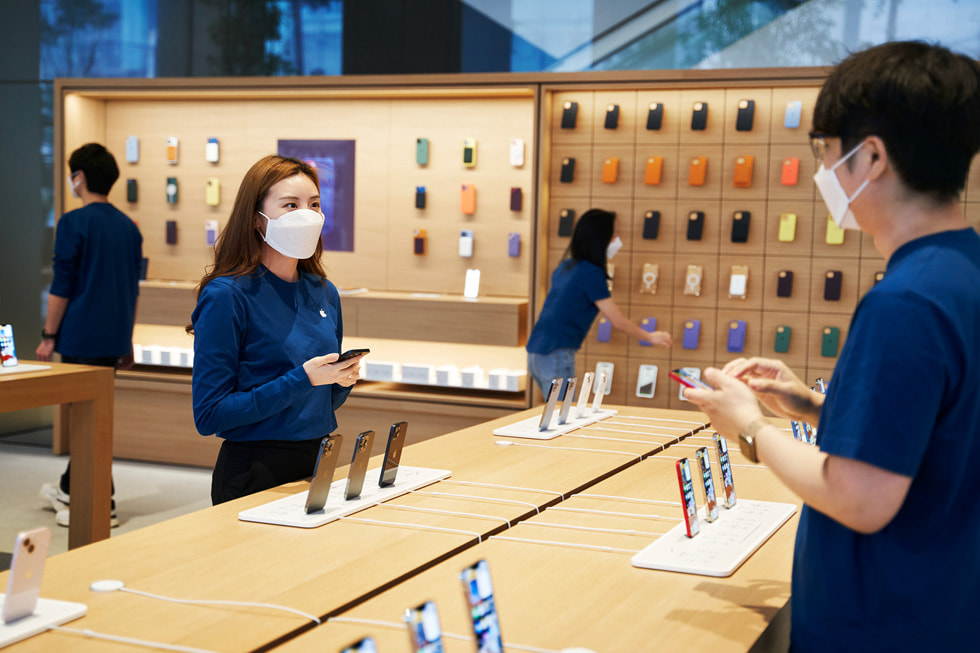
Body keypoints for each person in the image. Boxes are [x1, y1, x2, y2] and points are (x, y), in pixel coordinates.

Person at [684, 41, 980, 651]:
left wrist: (749, 427)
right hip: (941, 606)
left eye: (826, 152)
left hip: (881, 623)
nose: (823, 170)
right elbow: (936, 437)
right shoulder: (962, 272)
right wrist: (814, 408)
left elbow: (863, 498)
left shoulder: (906, 301)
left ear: (870, 156)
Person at [189, 154, 362, 505]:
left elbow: (319, 401)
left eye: (314, 204)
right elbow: (209, 415)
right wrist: (304, 379)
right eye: (290, 205)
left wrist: (340, 380)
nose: (307, 214)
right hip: (254, 470)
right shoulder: (227, 296)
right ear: (257, 218)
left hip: (317, 461)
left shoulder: (323, 291)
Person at [36, 142, 143, 528]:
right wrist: (127, 339)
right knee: (94, 417)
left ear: (78, 178)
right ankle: (70, 487)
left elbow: (61, 285)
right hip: (112, 338)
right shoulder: (128, 228)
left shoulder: (73, 223)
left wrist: (49, 334)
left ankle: (100, 499)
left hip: (79, 337)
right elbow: (132, 289)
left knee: (84, 420)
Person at [526, 208, 672, 398]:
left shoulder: (567, 266)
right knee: (563, 417)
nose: (617, 239)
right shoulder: (590, 273)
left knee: (557, 415)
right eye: (614, 234)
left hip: (536, 354)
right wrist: (650, 336)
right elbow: (618, 321)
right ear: (601, 238)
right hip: (556, 354)